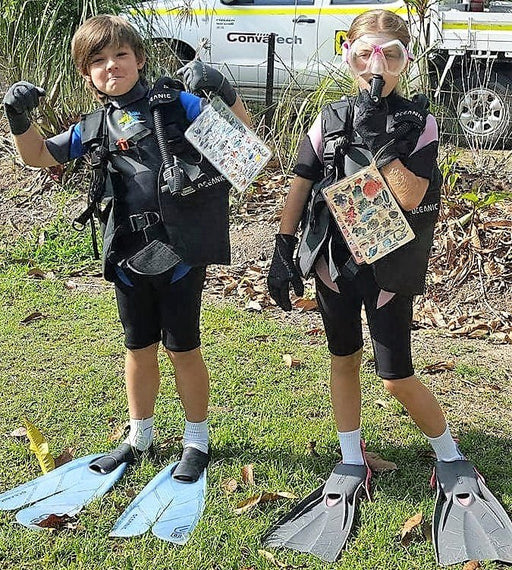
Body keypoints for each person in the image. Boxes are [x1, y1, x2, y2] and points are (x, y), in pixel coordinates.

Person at [265, 9, 512, 565]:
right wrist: (281, 252)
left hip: (386, 268)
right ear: (348, 55)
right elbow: (301, 185)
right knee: (341, 357)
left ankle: (448, 455)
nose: (377, 64)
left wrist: (383, 148)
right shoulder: (327, 121)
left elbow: (409, 196)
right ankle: (351, 456)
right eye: (365, 53)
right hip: (332, 261)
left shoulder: (417, 123)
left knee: (395, 373)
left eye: (391, 54)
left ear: (405, 61)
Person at [3, 14, 250, 482]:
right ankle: (139, 437)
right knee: (138, 347)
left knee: (183, 347)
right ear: (86, 73)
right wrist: (18, 118)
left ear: (140, 59)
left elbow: (245, 142)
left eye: (120, 55)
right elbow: (36, 156)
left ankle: (196, 440)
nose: (111, 66)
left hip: (179, 250)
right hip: (127, 253)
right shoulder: (94, 125)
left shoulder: (177, 105)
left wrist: (220, 87)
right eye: (98, 60)